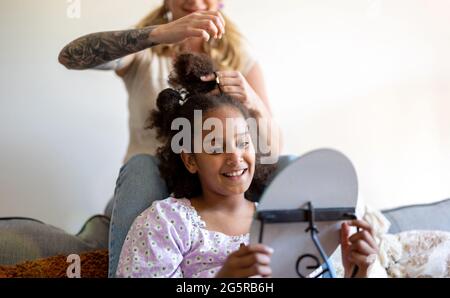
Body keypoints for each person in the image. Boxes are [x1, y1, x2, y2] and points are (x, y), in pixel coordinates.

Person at [58, 0, 284, 277]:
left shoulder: (239, 55)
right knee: (143, 165)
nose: (195, 2)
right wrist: (160, 34)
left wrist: (255, 102)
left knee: (291, 163)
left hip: (220, 189)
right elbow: (70, 56)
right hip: (151, 184)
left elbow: (270, 151)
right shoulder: (145, 51)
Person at [115, 53, 378, 278]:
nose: (235, 157)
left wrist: (357, 271)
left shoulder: (287, 221)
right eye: (217, 147)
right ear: (191, 160)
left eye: (243, 142)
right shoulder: (167, 223)